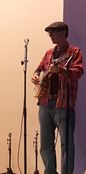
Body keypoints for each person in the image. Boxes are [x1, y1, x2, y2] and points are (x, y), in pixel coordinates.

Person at [31, 21, 84, 174]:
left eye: (53, 33)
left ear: (62, 33)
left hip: (64, 104)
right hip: (45, 102)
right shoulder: (49, 53)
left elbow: (78, 72)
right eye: (49, 33)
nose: (50, 36)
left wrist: (61, 70)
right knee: (45, 144)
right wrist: (35, 75)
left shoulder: (74, 52)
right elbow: (39, 68)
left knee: (66, 145)